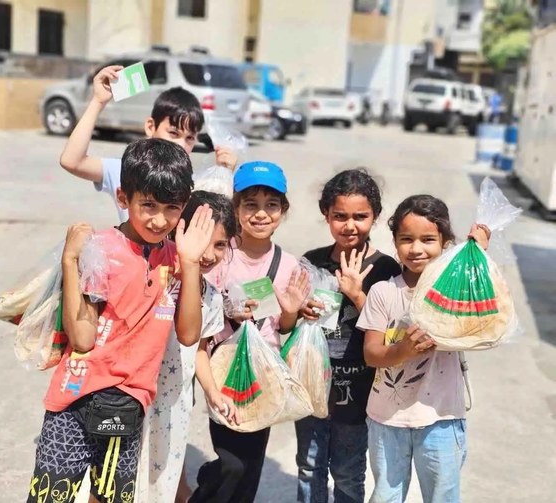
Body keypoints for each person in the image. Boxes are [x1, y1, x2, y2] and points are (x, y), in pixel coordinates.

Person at [26, 138, 215, 503]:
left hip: (128, 407)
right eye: (148, 205)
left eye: (171, 208)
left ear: (184, 207)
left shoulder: (179, 260)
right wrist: (70, 262)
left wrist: (190, 264)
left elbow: (189, 334)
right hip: (74, 404)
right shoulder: (100, 249)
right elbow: (82, 338)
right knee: (50, 497)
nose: (159, 219)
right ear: (123, 197)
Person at [190, 161, 311, 503]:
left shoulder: (288, 264)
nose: (261, 214)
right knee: (232, 462)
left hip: (264, 374)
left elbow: (283, 328)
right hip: (223, 371)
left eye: (271, 205)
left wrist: (290, 311)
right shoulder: (220, 254)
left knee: (252, 464)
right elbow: (201, 308)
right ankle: (207, 486)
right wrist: (228, 310)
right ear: (235, 208)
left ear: (282, 211)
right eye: (251, 205)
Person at [357, 195, 490, 503]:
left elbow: (486, 309)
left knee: (442, 496)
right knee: (385, 495)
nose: (416, 249)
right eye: (407, 239)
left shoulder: (454, 289)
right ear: (394, 242)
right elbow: (371, 353)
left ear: (445, 243)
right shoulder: (383, 292)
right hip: (386, 419)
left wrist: (478, 252)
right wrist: (403, 351)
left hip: (441, 417)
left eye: (428, 239)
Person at [295, 169, 402, 503]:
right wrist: (300, 310)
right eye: (339, 216)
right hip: (313, 387)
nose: (349, 225)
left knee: (347, 471)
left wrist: (358, 295)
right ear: (326, 214)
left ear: (376, 217)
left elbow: (392, 333)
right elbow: (290, 321)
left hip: (360, 395)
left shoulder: (386, 270)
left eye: (360, 216)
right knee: (309, 466)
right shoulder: (311, 262)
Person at [135, 190, 238, 503]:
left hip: (175, 403)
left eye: (220, 244)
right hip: (135, 398)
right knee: (124, 478)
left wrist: (212, 392)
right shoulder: (154, 275)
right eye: (201, 239)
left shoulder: (211, 296)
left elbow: (200, 349)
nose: (208, 253)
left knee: (161, 480)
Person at [59, 65, 238, 222]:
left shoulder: (194, 183)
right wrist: (98, 101)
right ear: (151, 126)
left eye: (190, 138)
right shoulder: (125, 170)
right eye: (173, 133)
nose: (181, 144)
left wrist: (224, 173)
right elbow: (72, 161)